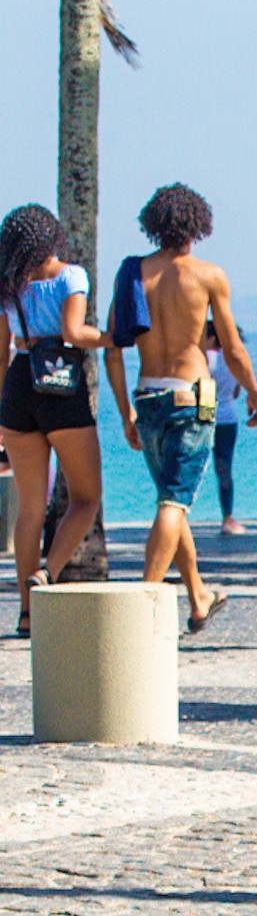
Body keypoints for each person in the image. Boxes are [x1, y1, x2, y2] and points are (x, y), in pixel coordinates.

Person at [104, 184, 257, 632]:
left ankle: (198, 597)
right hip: (192, 397)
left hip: (148, 396)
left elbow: (113, 351)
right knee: (174, 503)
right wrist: (254, 393)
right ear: (199, 224)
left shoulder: (134, 274)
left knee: (171, 503)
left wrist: (124, 411)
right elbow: (231, 346)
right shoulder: (209, 275)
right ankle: (141, 606)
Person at [0, 204, 107, 638]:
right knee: (85, 498)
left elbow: (1, 352)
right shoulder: (71, 276)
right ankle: (48, 573)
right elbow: (73, 332)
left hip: (18, 386)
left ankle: (27, 614)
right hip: (61, 386)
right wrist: (113, 340)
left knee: (29, 509)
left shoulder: (9, 288)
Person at [203, 316, 247, 536]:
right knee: (224, 469)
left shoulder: (207, 357)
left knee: (192, 466)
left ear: (212, 338)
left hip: (207, 414)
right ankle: (228, 517)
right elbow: (237, 392)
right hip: (229, 417)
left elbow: (203, 387)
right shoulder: (233, 359)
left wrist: (204, 414)